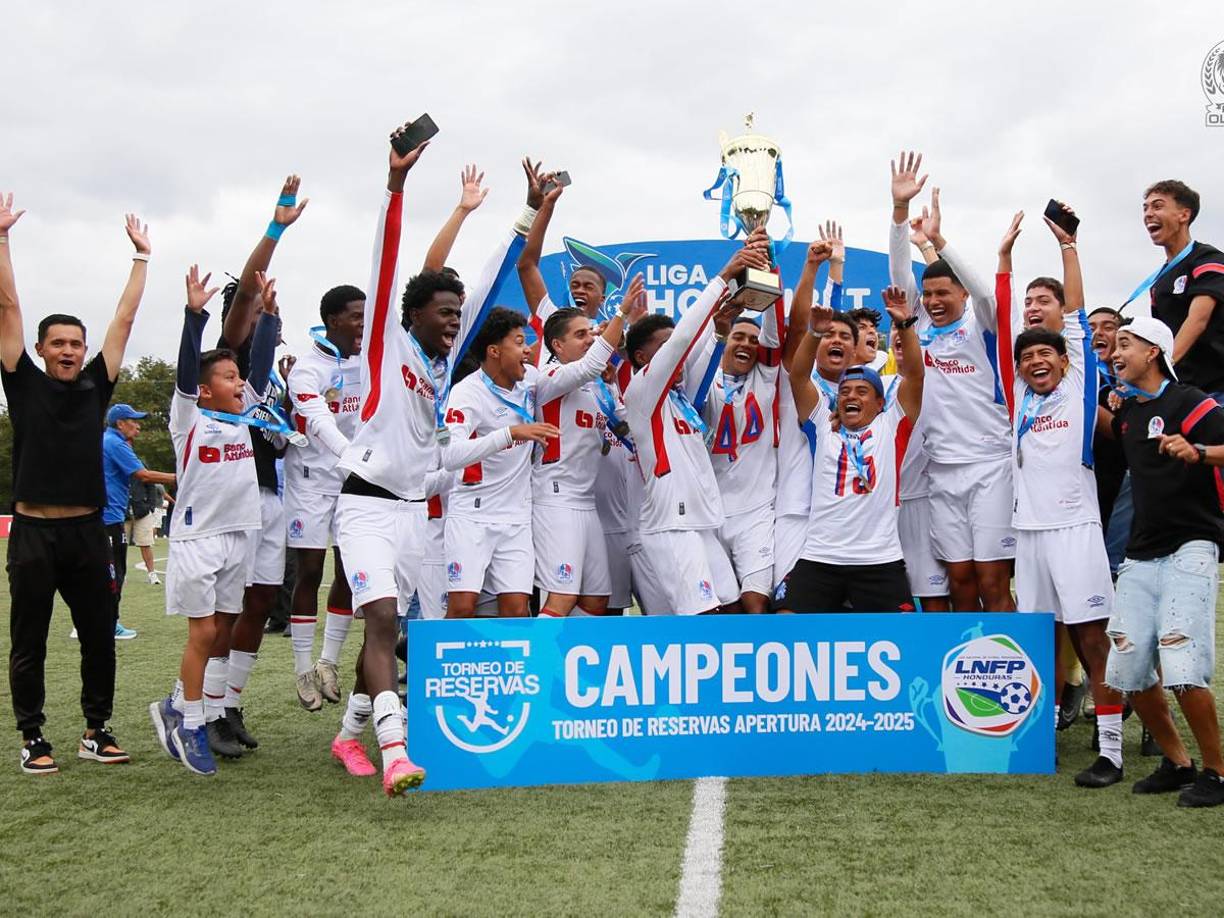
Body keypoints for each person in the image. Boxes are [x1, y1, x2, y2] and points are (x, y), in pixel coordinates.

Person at [328, 127, 537, 796]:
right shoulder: (386, 348)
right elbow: (386, 261)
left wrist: (527, 213)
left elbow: (486, 281)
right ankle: (395, 753)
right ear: (411, 313)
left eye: (458, 316)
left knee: (406, 629)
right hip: (363, 505)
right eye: (443, 313)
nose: (454, 322)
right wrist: (396, 185)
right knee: (383, 620)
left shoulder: (443, 369)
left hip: (416, 516)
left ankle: (349, 732)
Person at [1, 195, 148, 774]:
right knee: (29, 641)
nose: (68, 351)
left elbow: (125, 321)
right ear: (39, 350)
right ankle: (33, 738)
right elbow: (8, 304)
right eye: (57, 343)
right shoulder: (21, 382)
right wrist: (4, 238)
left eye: (75, 344)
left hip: (89, 532)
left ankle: (97, 729)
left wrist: (141, 259)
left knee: (98, 637)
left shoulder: (95, 387)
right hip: (34, 531)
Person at [149, 265, 277, 777]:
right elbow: (186, 374)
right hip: (198, 539)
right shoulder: (191, 419)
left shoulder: (245, 415)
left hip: (237, 536)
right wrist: (194, 315)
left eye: (237, 376)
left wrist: (268, 318)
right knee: (203, 633)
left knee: (223, 624)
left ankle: (177, 704)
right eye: (227, 377)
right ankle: (192, 722)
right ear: (204, 391)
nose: (239, 381)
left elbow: (261, 372)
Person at [1101, 315, 1224, 807]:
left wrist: (1197, 450)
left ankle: (1216, 772)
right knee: (1127, 667)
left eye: (1124, 343)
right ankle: (1178, 763)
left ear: (1154, 351)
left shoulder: (1189, 401)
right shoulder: (1128, 414)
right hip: (1141, 553)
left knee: (1181, 663)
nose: (1114, 350)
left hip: (1192, 546)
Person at [889, 152, 1016, 612]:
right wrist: (900, 213)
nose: (934, 300)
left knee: (991, 578)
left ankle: (1014, 670)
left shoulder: (981, 326)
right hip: (942, 469)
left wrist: (941, 242)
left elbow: (986, 291)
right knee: (959, 579)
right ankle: (965, 668)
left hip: (989, 464)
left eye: (944, 292)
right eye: (929, 294)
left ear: (960, 292)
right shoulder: (918, 328)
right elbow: (898, 274)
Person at [441, 302, 624, 617]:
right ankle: (426, 663)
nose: (527, 350)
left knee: (517, 610)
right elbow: (450, 454)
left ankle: (537, 666)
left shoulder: (531, 382)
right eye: (518, 342)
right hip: (472, 515)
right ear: (494, 351)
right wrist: (510, 433)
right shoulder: (465, 393)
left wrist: (595, 335)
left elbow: (576, 364)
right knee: (462, 608)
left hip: (517, 518)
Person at [622, 230, 770, 615]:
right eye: (664, 345)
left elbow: (702, 362)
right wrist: (724, 275)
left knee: (734, 610)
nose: (676, 352)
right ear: (642, 356)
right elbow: (684, 339)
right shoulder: (642, 394)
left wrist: (722, 328)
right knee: (701, 620)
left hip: (701, 521)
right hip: (671, 525)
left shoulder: (680, 396)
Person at [774, 284, 924, 612]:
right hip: (821, 556)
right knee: (786, 620)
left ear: (880, 402)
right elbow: (799, 377)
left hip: (879, 558)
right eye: (845, 392)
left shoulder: (892, 426)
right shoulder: (822, 427)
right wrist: (814, 332)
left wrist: (905, 325)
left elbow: (914, 375)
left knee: (902, 636)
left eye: (861, 391)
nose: (851, 397)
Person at [284, 284, 364, 711]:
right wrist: (351, 455)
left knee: (350, 571)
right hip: (311, 480)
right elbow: (316, 420)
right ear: (333, 320)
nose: (362, 325)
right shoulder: (306, 369)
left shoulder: (368, 361)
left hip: (351, 479)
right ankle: (302, 668)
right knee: (310, 569)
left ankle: (328, 662)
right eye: (355, 316)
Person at [699, 296, 783, 614]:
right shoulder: (704, 382)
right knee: (722, 607)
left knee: (756, 601)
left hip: (755, 512)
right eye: (739, 336)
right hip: (709, 514)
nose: (747, 343)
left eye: (753, 339)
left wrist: (769, 270)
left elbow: (774, 333)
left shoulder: (765, 379)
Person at [1132, 180, 1224, 402]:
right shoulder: (1159, 279)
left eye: (1157, 206)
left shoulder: (1208, 259)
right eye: (1145, 208)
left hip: (1216, 387)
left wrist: (1161, 368)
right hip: (1183, 389)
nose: (1148, 214)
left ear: (1183, 215)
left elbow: (1198, 320)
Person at [101, 403, 176, 638]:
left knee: (103, 573)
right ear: (120, 423)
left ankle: (93, 622)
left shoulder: (107, 440)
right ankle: (109, 625)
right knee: (115, 573)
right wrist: (183, 476)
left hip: (106, 516)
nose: (138, 426)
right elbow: (143, 475)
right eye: (133, 420)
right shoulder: (115, 443)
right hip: (109, 518)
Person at [127, 479, 164, 585]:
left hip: (142, 511)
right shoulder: (114, 464)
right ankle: (120, 574)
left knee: (146, 544)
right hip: (122, 511)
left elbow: (151, 485)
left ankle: (152, 574)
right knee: (119, 545)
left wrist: (150, 506)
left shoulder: (140, 466)